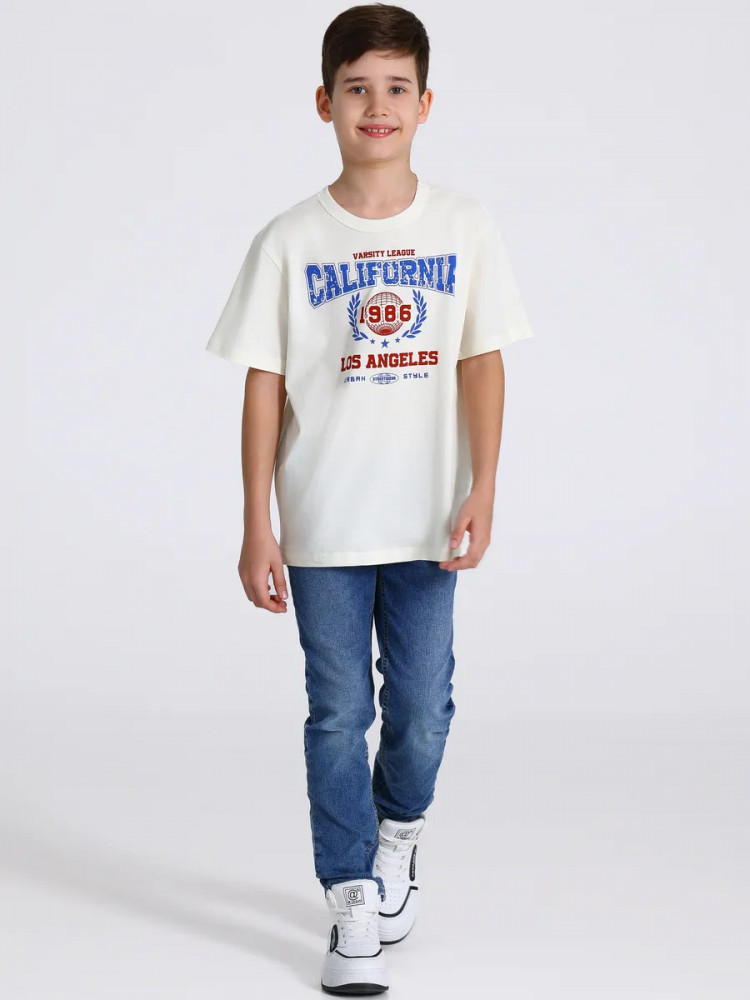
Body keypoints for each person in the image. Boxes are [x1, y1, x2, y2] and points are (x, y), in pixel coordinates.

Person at [205, 4, 534, 994]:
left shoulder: (464, 225)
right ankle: (349, 893)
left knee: (422, 711)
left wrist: (484, 486)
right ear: (325, 103)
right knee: (337, 709)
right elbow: (264, 384)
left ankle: (399, 833)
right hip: (323, 524)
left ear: (426, 104)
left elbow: (481, 360)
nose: (376, 106)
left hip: (428, 518)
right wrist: (257, 522)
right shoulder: (289, 240)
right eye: (357, 88)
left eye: (396, 88)